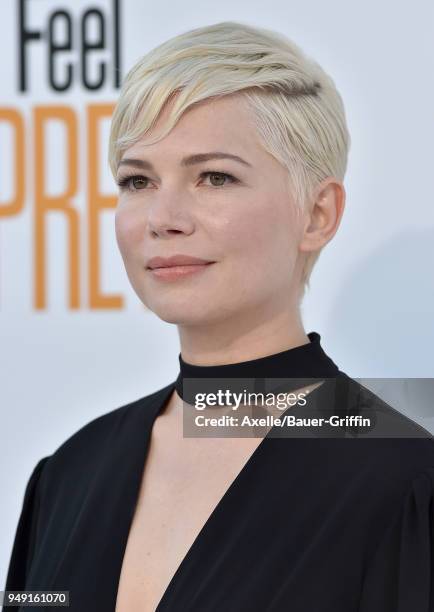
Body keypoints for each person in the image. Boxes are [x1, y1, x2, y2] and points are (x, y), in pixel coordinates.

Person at [4, 21, 434, 612]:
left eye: (214, 177)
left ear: (317, 214)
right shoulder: (69, 473)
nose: (164, 216)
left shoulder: (405, 480)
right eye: (138, 180)